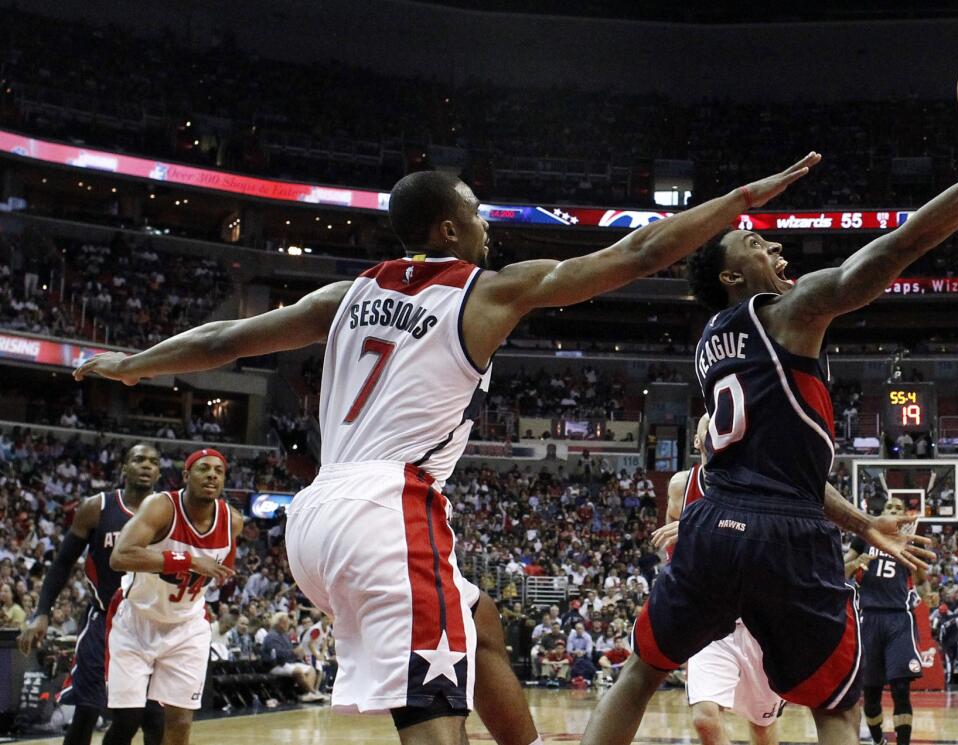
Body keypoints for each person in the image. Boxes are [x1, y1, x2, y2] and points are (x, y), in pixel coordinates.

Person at [75, 160, 818, 745]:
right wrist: (739, 199)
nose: (485, 221)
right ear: (448, 229)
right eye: (474, 210)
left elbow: (221, 341)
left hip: (317, 513)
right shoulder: (485, 291)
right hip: (387, 509)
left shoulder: (348, 292)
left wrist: (132, 363)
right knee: (428, 706)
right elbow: (639, 251)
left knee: (480, 622)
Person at [581, 88, 958, 745]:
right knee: (834, 707)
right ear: (730, 276)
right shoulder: (790, 311)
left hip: (712, 526)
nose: (774, 246)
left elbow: (788, 467)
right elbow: (893, 251)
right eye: (755, 243)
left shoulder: (711, 345)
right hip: (785, 535)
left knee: (640, 671)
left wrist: (865, 522)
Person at [19, 443, 166, 745]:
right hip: (104, 621)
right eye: (139, 459)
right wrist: (41, 611)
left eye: (153, 462)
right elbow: (62, 564)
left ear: (160, 472)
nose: (146, 466)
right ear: (125, 467)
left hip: (149, 624)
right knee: (86, 710)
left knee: (152, 717)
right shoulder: (96, 507)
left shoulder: (169, 512)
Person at [652, 414, 786, 745]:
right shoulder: (682, 486)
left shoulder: (761, 483)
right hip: (709, 620)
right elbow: (672, 546)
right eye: (709, 426)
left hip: (757, 619)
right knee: (704, 719)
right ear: (698, 441)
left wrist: (700, 529)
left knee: (762, 726)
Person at [102, 449, 242, 745]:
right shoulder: (161, 507)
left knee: (179, 722)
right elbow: (120, 556)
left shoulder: (233, 521)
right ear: (187, 476)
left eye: (219, 470)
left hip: (186, 626)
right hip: (137, 621)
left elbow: (223, 568)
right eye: (204, 469)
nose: (212, 475)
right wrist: (188, 561)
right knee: (126, 720)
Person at [844, 497, 933, 745]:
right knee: (870, 693)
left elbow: (922, 580)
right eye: (889, 508)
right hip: (868, 618)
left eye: (898, 508)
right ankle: (878, 741)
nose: (893, 511)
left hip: (898, 619)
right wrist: (856, 563)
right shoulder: (864, 537)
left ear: (904, 516)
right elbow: (840, 571)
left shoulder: (909, 543)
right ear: (881, 513)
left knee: (901, 689)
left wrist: (929, 595)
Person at [262, 612, 328, 702]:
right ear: (281, 623)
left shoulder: (285, 635)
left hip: (288, 663)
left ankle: (307, 694)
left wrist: (298, 654)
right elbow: (277, 655)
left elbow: (291, 652)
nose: (289, 624)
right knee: (298, 671)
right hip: (275, 665)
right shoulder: (271, 636)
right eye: (287, 622)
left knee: (311, 670)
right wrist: (294, 652)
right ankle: (313, 692)